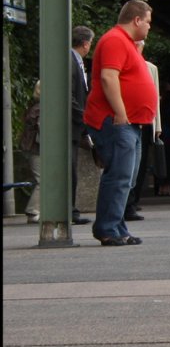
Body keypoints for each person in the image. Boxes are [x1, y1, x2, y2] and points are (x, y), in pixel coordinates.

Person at [83, 0, 158, 247]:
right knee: (119, 175)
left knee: (127, 177)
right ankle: (107, 228)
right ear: (136, 20)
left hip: (129, 122)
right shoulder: (115, 40)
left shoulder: (126, 43)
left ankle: (117, 226)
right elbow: (108, 77)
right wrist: (120, 112)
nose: (149, 27)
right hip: (117, 120)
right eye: (147, 21)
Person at [125, 39, 162, 220]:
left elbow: (155, 98)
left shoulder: (151, 68)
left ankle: (134, 199)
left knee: (142, 162)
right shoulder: (125, 64)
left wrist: (158, 125)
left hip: (147, 119)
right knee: (131, 162)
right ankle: (128, 202)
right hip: (129, 118)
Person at [70, 25, 94, 224]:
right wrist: (84, 117)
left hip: (75, 124)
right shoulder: (71, 61)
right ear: (86, 44)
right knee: (69, 168)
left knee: (72, 168)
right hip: (71, 124)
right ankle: (69, 211)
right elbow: (70, 96)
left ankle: (71, 210)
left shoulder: (76, 62)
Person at [20, 81, 41, 224]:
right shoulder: (41, 109)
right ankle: (33, 210)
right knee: (43, 180)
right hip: (37, 149)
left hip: (32, 148)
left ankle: (36, 210)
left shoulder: (34, 107)